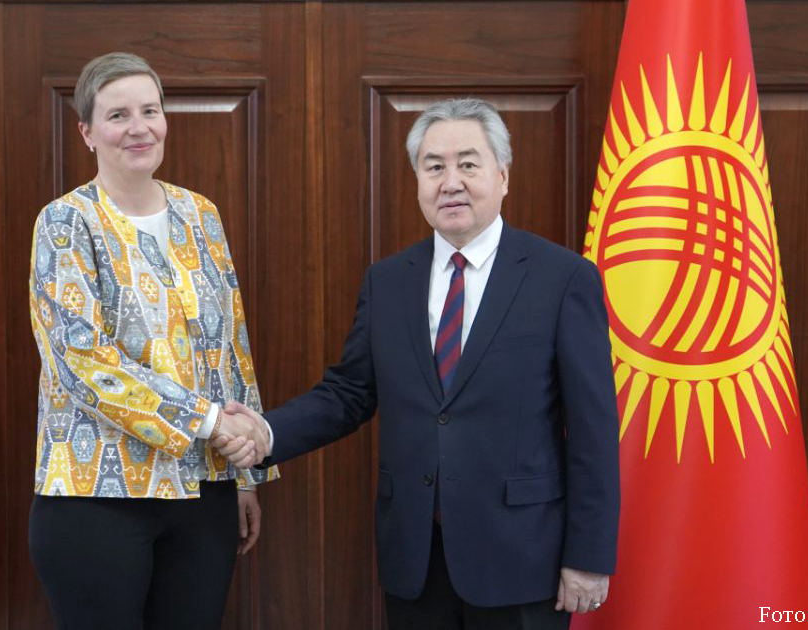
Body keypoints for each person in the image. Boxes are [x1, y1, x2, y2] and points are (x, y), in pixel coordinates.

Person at [219, 98, 619, 629]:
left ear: (502, 175)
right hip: (416, 558)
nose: (450, 182)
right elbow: (349, 393)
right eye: (434, 167)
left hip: (524, 559)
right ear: (417, 182)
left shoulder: (563, 278)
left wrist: (589, 557)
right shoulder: (388, 281)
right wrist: (267, 433)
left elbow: (593, 429)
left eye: (468, 164)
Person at [27, 52, 275, 630]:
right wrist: (210, 423)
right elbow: (83, 364)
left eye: (150, 111)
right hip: (95, 496)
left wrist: (243, 475)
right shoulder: (65, 222)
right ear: (87, 132)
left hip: (204, 494)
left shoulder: (201, 214)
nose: (139, 128)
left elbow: (230, 349)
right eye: (118, 115)